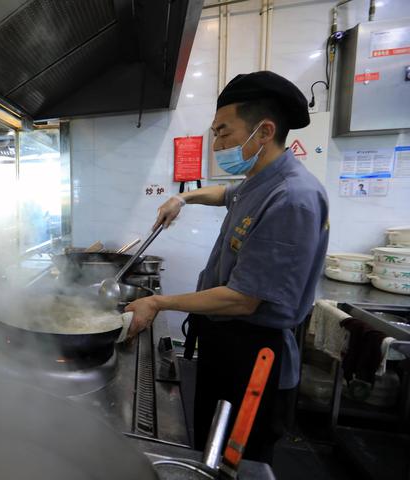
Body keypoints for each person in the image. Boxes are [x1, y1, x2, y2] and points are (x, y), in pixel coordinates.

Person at [125, 71, 329, 464]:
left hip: (254, 356)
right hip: (229, 345)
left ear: (264, 131)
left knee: (237, 461)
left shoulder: (292, 198)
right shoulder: (262, 180)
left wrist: (159, 303)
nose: (216, 144)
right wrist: (183, 199)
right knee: (209, 448)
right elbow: (224, 193)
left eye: (223, 133)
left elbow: (242, 300)